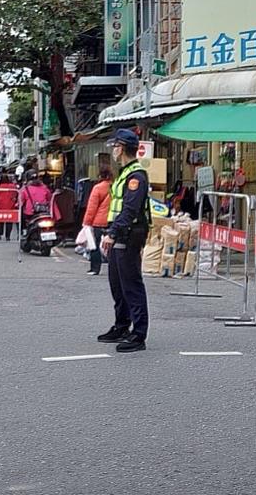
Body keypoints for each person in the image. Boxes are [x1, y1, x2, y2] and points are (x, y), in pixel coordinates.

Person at [99, 129, 151, 353]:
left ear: (122, 148)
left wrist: (113, 233)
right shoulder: (125, 173)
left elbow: (130, 209)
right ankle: (122, 325)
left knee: (131, 284)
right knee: (117, 283)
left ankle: (138, 334)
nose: (113, 150)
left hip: (130, 233)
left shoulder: (136, 176)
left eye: (115, 146)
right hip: (119, 231)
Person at [82, 168, 113, 276]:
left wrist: (87, 222)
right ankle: (113, 269)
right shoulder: (115, 187)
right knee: (113, 245)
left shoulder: (97, 188)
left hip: (98, 222)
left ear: (100, 176)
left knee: (94, 245)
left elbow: (92, 207)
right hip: (112, 220)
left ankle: (95, 268)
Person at [0, 174, 18, 241]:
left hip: (0, 207)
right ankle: (8, 236)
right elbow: (16, 195)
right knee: (9, 222)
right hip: (10, 207)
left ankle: (0, 235)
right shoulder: (13, 187)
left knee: (0, 221)